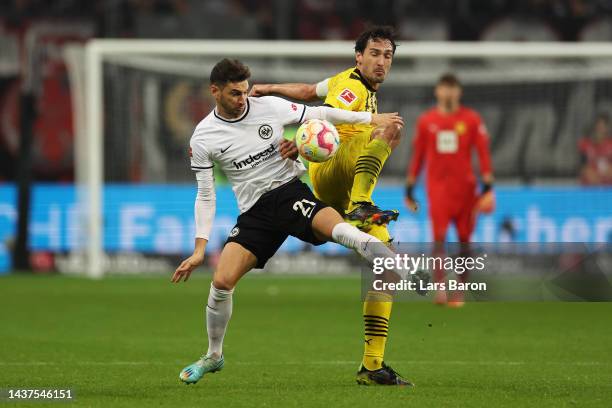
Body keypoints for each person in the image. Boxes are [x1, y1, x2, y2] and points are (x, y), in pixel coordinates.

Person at [171, 58, 411, 386]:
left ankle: (391, 260)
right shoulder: (203, 137)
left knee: (340, 230)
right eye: (234, 94)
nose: (243, 100)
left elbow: (322, 113)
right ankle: (214, 356)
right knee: (222, 282)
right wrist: (199, 249)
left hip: (288, 192)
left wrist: (371, 118)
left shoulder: (267, 106)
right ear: (214, 91)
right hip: (255, 213)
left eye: (244, 92)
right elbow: (206, 195)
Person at [250, 26, 404, 378]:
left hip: (336, 189)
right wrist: (304, 146)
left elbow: (306, 91)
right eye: (375, 54)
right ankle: (363, 201)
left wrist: (270, 88)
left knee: (387, 269)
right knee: (391, 127)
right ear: (359, 56)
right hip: (334, 171)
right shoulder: (351, 89)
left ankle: (372, 364)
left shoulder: (341, 79)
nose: (382, 62)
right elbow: (327, 115)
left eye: (388, 56)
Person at [405, 73, 494, 307]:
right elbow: (418, 156)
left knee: (465, 242)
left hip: (466, 190)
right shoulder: (426, 121)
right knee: (439, 239)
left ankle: (460, 291)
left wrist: (488, 188)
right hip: (438, 190)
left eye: (452, 88)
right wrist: (409, 188)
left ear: (459, 92)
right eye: (444, 88)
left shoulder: (472, 120)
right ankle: (441, 289)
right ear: (437, 91)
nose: (448, 92)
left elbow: (483, 153)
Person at [578, 113, 612, 185]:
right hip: (589, 188)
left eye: (603, 127)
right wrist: (587, 171)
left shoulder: (610, 144)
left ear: (607, 128)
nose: (600, 130)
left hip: (608, 188)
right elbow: (581, 166)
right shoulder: (585, 144)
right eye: (598, 126)